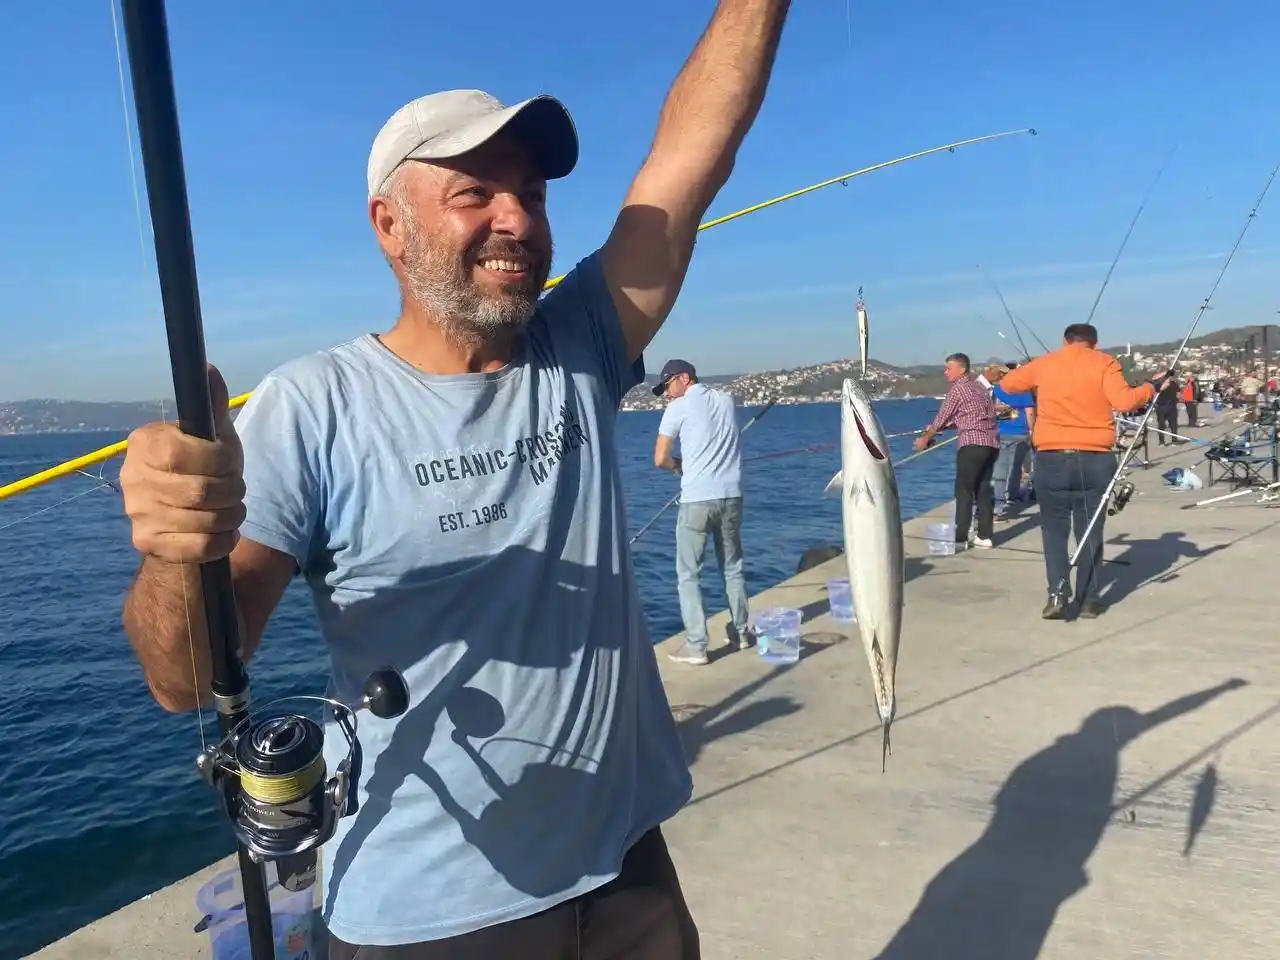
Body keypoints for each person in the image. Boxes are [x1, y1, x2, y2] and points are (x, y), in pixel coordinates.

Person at [115, 3, 794, 956]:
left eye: (533, 193)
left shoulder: (583, 344)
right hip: (424, 915)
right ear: (389, 226)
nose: (516, 217)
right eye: (475, 192)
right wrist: (172, 548)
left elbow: (695, 153)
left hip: (626, 872)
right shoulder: (312, 407)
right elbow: (182, 679)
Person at [999, 323, 1160, 620]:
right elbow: (1125, 401)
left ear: (1064, 340)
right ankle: (1088, 599)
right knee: (1089, 530)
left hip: (1051, 458)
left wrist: (1026, 371)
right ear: (1094, 343)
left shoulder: (1044, 363)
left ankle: (1057, 594)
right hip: (1095, 458)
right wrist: (1151, 387)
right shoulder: (1104, 362)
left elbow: (1007, 386)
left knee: (1053, 530)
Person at [651, 359, 751, 665]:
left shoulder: (677, 409)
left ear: (684, 378)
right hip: (731, 496)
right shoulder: (726, 400)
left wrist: (678, 467)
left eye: (668, 386)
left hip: (697, 500)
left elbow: (660, 458)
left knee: (688, 575)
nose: (667, 394)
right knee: (732, 567)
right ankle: (742, 633)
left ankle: (697, 646)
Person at [914, 352, 1000, 550]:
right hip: (991, 444)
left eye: (948, 368)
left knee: (964, 491)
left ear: (961, 369)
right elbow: (973, 416)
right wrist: (945, 428)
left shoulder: (958, 389)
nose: (945, 372)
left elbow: (942, 415)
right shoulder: (978, 387)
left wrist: (926, 438)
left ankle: (960, 538)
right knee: (984, 490)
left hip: (971, 445)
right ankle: (985, 537)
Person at [986, 362, 1036, 519]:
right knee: (1016, 466)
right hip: (1021, 433)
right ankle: (1012, 495)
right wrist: (1032, 430)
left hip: (1000, 433)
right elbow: (1029, 413)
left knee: (1000, 468)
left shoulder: (997, 390)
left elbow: (990, 409)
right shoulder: (1024, 391)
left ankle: (999, 503)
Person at [1154, 371, 1179, 444]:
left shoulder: (1174, 384)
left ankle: (1174, 440)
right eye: (1168, 376)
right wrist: (1163, 386)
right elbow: (1156, 388)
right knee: (1161, 425)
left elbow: (1178, 393)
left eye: (1171, 376)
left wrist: (1177, 399)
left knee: (1173, 425)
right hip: (1161, 407)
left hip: (1172, 406)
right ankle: (1161, 441)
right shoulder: (1158, 383)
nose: (1170, 378)